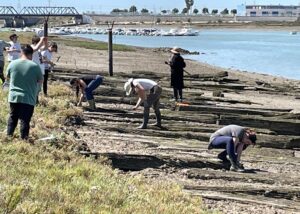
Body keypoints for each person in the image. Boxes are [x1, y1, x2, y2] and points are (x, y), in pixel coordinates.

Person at [6, 44, 43, 140]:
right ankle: (23, 140)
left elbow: (8, 77)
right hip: (28, 97)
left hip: (14, 96)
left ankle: (9, 136)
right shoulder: (35, 66)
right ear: (31, 54)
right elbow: (40, 80)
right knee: (25, 120)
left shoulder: (12, 64)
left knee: (13, 117)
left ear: (21, 53)